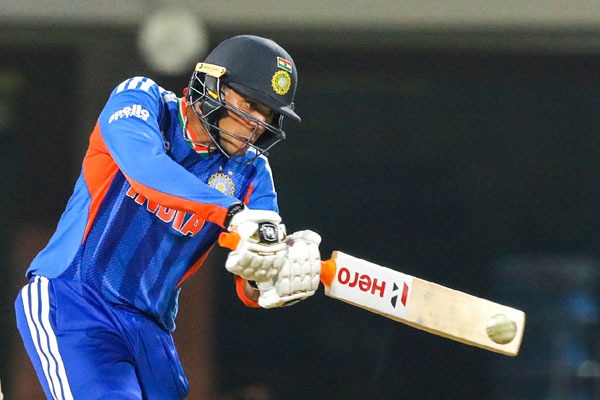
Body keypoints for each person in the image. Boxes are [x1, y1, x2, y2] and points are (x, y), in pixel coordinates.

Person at [14, 34, 322, 399]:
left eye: (267, 114)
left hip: (151, 330)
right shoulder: (142, 100)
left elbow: (250, 279)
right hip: (75, 301)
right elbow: (144, 167)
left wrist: (277, 275)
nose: (257, 122)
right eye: (251, 104)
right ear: (212, 86)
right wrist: (233, 214)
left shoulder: (253, 172)